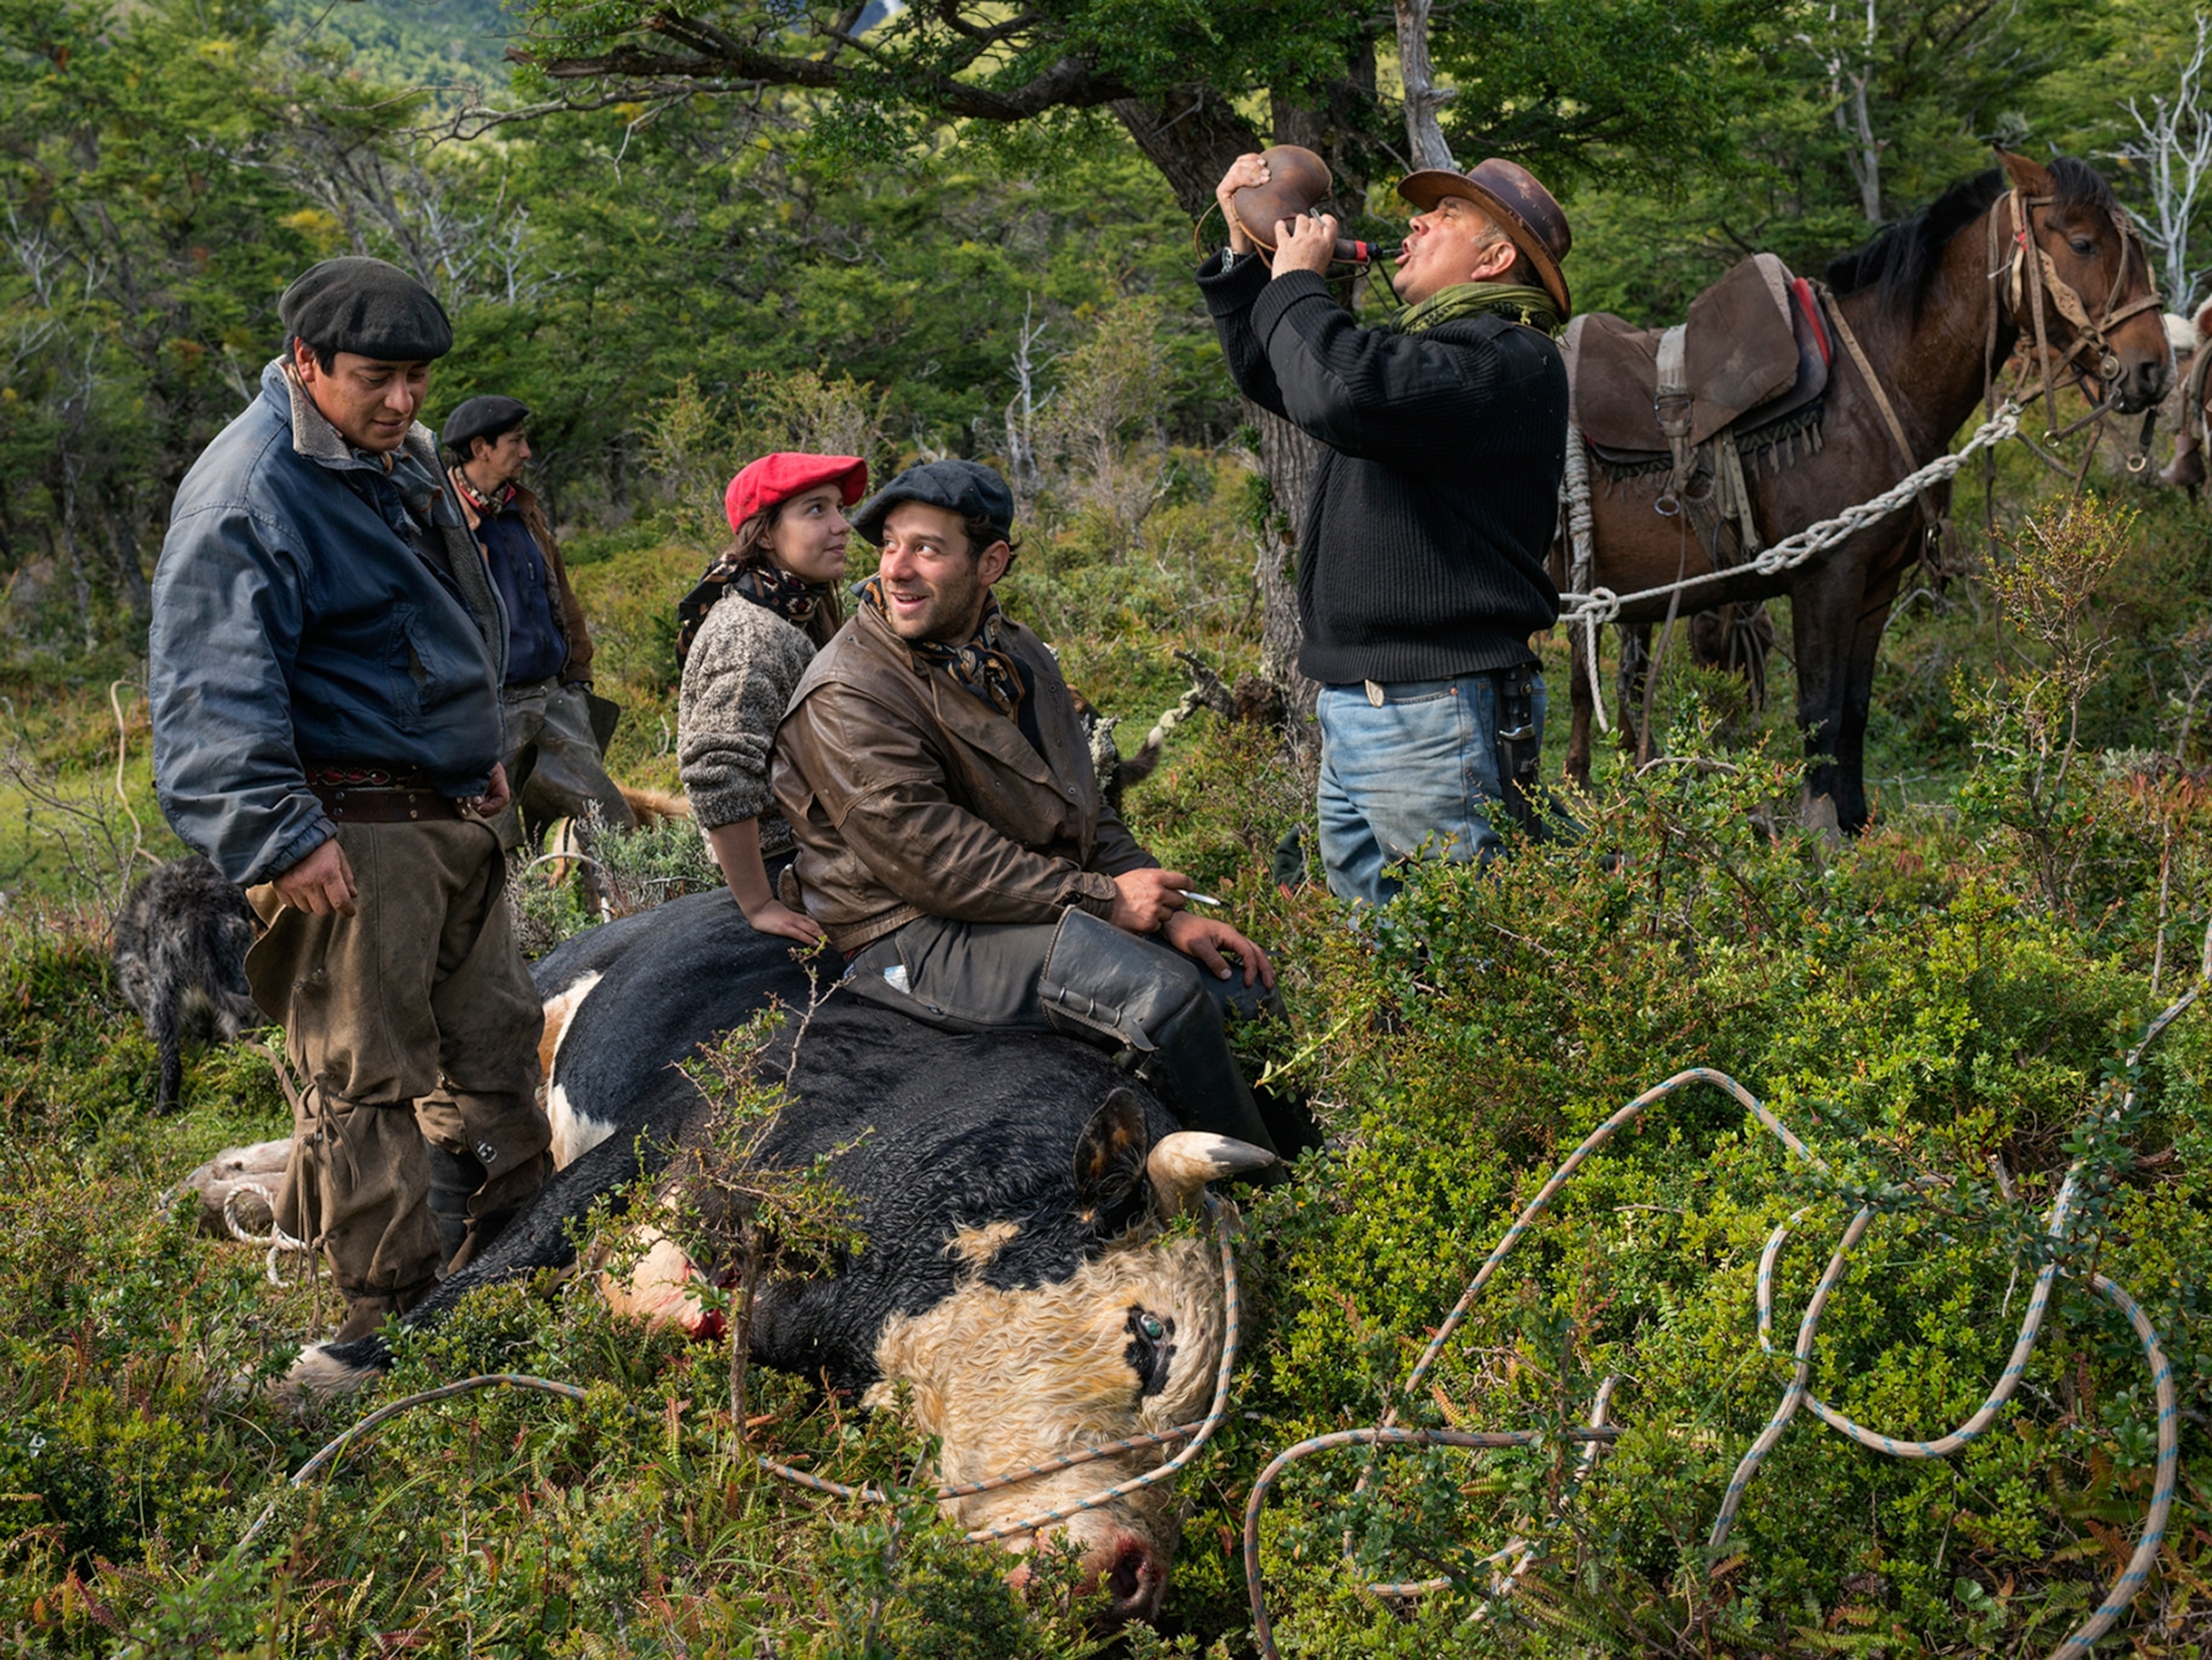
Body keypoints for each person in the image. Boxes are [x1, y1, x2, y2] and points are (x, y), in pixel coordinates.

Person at [148, 256, 549, 1346]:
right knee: (365, 1081)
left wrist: (475, 747)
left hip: (444, 814)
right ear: (306, 361)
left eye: (418, 378)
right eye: (377, 377)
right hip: (350, 833)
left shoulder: (395, 456)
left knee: (497, 1042)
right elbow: (209, 694)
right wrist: (281, 837)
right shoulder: (248, 491)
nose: (405, 401)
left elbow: (434, 618)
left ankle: (515, 1257)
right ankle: (383, 1321)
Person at [771, 459, 1280, 1152]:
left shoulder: (1017, 651)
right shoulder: (850, 691)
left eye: (926, 548)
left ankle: (1317, 1174)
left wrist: (1168, 910)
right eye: (889, 545)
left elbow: (1082, 805)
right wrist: (1106, 901)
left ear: (991, 563)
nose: (895, 569)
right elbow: (934, 861)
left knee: (1241, 985)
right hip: (913, 932)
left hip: (1020, 899)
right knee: (1162, 996)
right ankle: (1265, 1197)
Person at [1198, 154, 1573, 906]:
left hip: (1433, 704)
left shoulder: (1504, 355)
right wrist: (1245, 249)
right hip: (1379, 702)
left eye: (1446, 215)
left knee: (1458, 944)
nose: (1416, 221)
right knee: (1381, 943)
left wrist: (1297, 282)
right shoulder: (1431, 353)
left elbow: (1340, 389)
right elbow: (1285, 371)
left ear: (1495, 260)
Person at [675, 451, 868, 943]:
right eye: (817, 510)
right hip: (787, 863)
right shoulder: (750, 636)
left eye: (839, 508)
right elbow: (718, 771)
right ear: (764, 535)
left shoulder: (791, 611)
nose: (842, 525)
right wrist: (759, 904)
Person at [442, 394, 636, 856]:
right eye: (516, 442)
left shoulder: (524, 508)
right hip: (486, 712)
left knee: (611, 825)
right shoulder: (441, 521)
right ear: (481, 448)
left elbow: (563, 597)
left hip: (554, 696)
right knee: (493, 845)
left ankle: (615, 903)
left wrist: (579, 677)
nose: (527, 452)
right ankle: (520, 908)